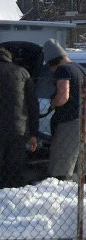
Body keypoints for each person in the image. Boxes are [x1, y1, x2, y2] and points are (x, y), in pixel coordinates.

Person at [43, 40, 86, 182]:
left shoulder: (63, 70)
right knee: (85, 170)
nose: (51, 71)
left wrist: (53, 101)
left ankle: (61, 199)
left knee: (62, 169)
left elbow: (63, 97)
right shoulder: (85, 70)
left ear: (52, 62)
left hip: (72, 124)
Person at [0, 47, 39, 188]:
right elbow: (33, 105)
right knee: (14, 169)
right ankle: (13, 199)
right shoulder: (23, 73)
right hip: (18, 129)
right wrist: (34, 133)